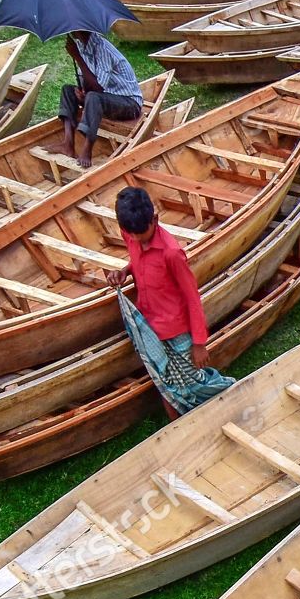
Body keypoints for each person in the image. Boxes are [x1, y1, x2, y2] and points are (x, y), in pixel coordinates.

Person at [105, 187, 233, 419]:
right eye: (131, 235)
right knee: (165, 384)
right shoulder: (131, 231)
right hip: (150, 327)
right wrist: (125, 270)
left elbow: (192, 296)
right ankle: (179, 427)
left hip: (177, 331)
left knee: (193, 385)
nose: (136, 240)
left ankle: (218, 413)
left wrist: (199, 343)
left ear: (154, 219)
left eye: (141, 234)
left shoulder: (172, 253)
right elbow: (138, 261)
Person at [59, 30, 144, 167]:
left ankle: (87, 150)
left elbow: (98, 88)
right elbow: (89, 80)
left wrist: (77, 57)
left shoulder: (103, 49)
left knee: (93, 97)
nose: (70, 31)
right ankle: (68, 144)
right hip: (106, 97)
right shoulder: (82, 45)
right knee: (68, 90)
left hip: (129, 103)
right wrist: (83, 91)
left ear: (82, 29)